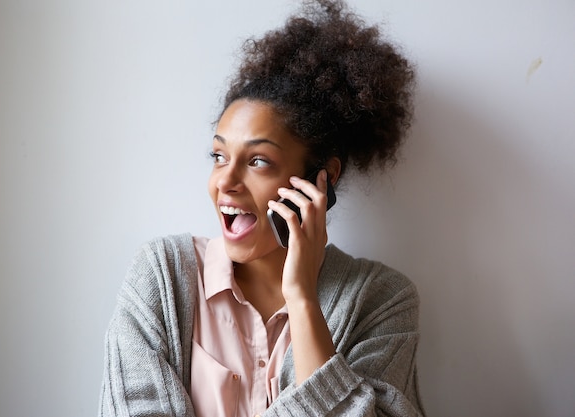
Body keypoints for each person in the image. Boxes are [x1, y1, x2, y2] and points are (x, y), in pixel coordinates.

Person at [99, 0, 424, 416]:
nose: (226, 183)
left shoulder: (382, 300)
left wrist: (303, 299)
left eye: (257, 162)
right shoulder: (162, 278)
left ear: (321, 177)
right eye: (218, 157)